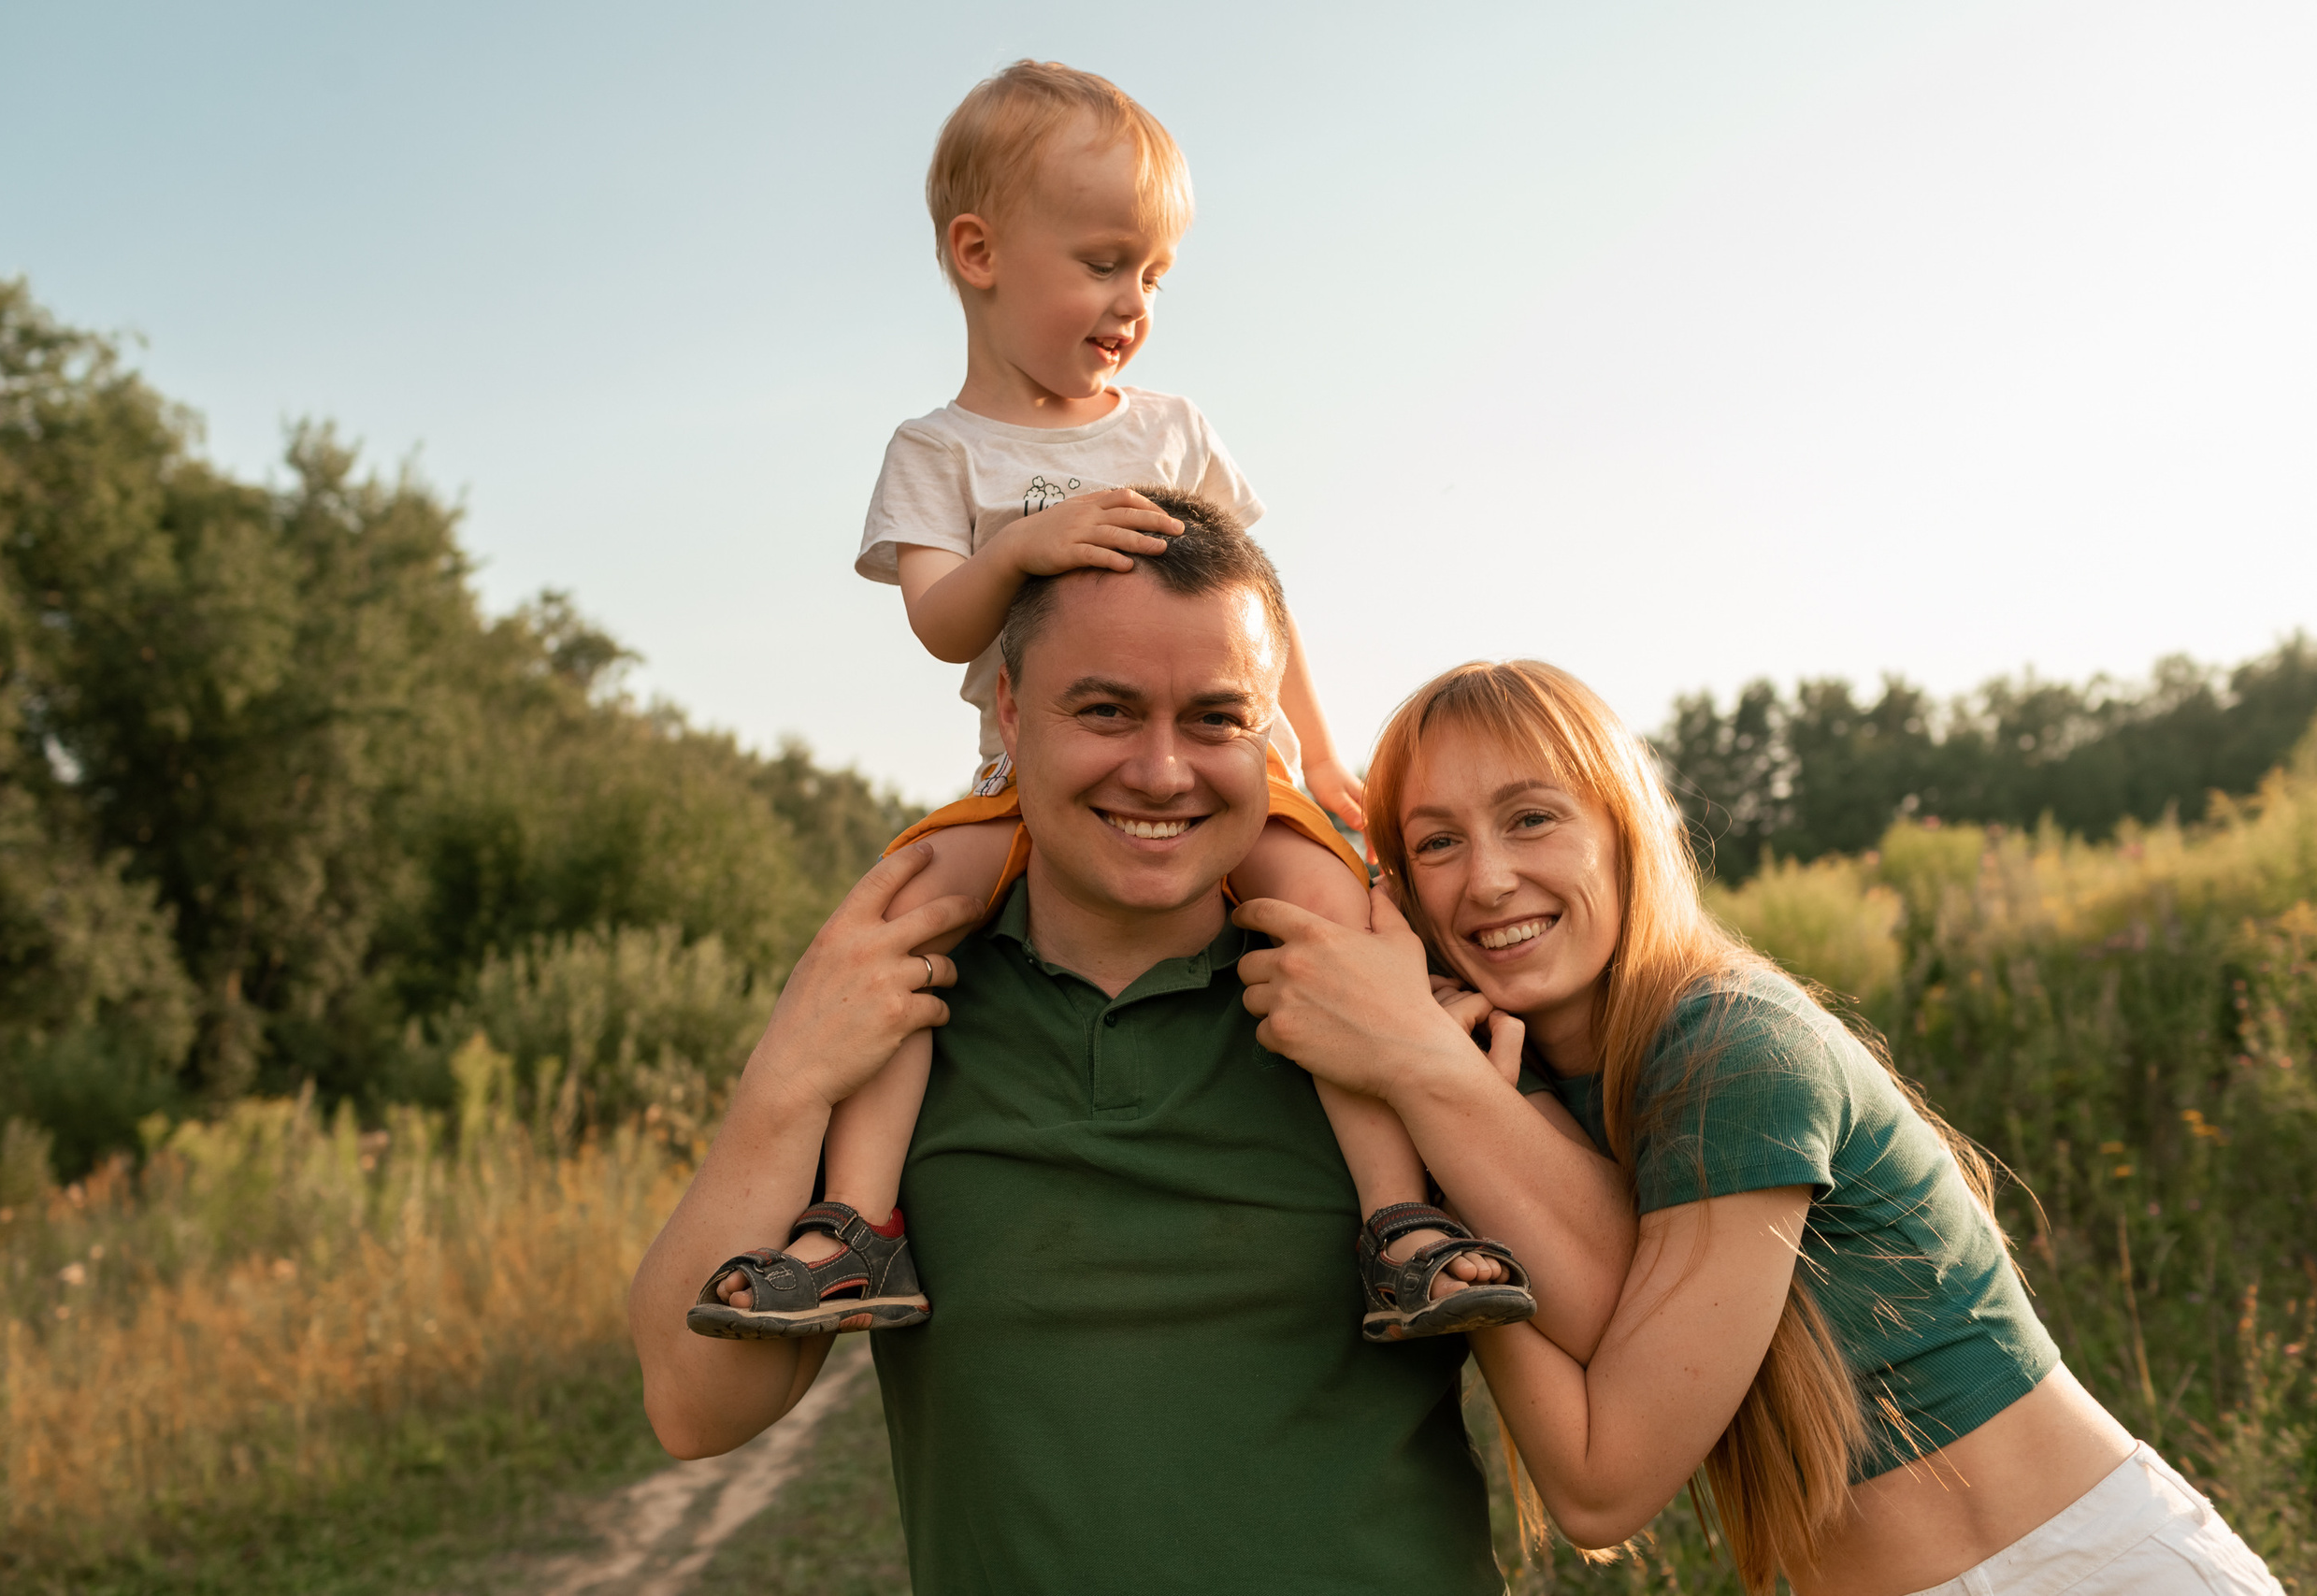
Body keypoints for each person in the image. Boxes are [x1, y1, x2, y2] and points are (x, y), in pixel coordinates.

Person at [627, 517, 1637, 1592]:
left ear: (1270, 738)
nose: (1162, 772)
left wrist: (1418, 1061)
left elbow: (1618, 1333)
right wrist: (785, 1074)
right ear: (1010, 711)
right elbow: (696, 1408)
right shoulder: (901, 1015)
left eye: (1216, 718)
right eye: (1105, 710)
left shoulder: (1381, 991)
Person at [685, 58, 1527, 1344]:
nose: (1132, 301)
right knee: (907, 923)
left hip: (1241, 767)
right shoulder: (942, 451)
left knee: (1334, 923)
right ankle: (859, 1224)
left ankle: (1401, 1217)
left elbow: (1264, 607)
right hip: (1023, 781)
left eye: (1153, 274)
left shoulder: (1174, 431)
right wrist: (1020, 547)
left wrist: (1325, 754)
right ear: (978, 251)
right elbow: (937, 624)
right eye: (1101, 262)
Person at [1233, 658, 2285, 1595]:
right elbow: (1580, 1444)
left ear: (1624, 830)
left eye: (1531, 818)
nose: (1489, 877)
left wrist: (1420, 1071)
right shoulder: (1523, 1095)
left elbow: (1605, 1486)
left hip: (2081, 1570)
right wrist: (1443, 1122)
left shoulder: (1733, 1046)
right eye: (1437, 843)